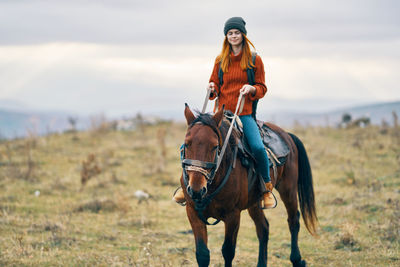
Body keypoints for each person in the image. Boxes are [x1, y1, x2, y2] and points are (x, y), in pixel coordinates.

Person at [173, 17, 275, 209]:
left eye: (236, 33)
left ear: (243, 35)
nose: (233, 36)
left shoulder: (254, 60)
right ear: (226, 37)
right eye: (230, 33)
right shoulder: (220, 60)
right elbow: (215, 87)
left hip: (244, 114)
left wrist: (251, 89)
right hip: (219, 116)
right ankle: (184, 187)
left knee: (258, 148)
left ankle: (266, 188)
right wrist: (211, 88)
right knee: (187, 145)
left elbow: (262, 87)